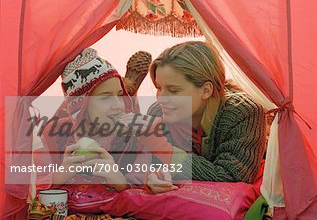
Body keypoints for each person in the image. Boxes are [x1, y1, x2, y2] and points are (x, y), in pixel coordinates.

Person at [136, 41, 267, 193]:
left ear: (206, 90)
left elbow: (232, 176)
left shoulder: (244, 113)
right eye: (159, 88)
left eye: (173, 90)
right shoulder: (158, 113)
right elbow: (151, 166)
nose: (161, 98)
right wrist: (153, 177)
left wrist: (164, 149)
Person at [35, 48, 152, 192]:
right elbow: (30, 187)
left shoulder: (136, 139)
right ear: (81, 106)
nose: (118, 105)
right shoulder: (54, 135)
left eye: (120, 95)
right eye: (105, 97)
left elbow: (147, 192)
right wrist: (60, 175)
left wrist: (121, 182)